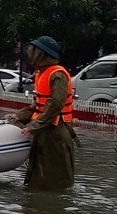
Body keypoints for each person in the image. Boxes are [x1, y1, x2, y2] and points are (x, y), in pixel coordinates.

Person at [5, 36, 76, 190]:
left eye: (33, 50)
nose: (29, 52)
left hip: (55, 131)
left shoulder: (57, 75)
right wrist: (19, 115)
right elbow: (38, 105)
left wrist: (34, 126)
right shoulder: (41, 73)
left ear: (42, 54)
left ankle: (52, 210)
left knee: (56, 178)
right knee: (38, 174)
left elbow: (55, 104)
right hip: (43, 131)